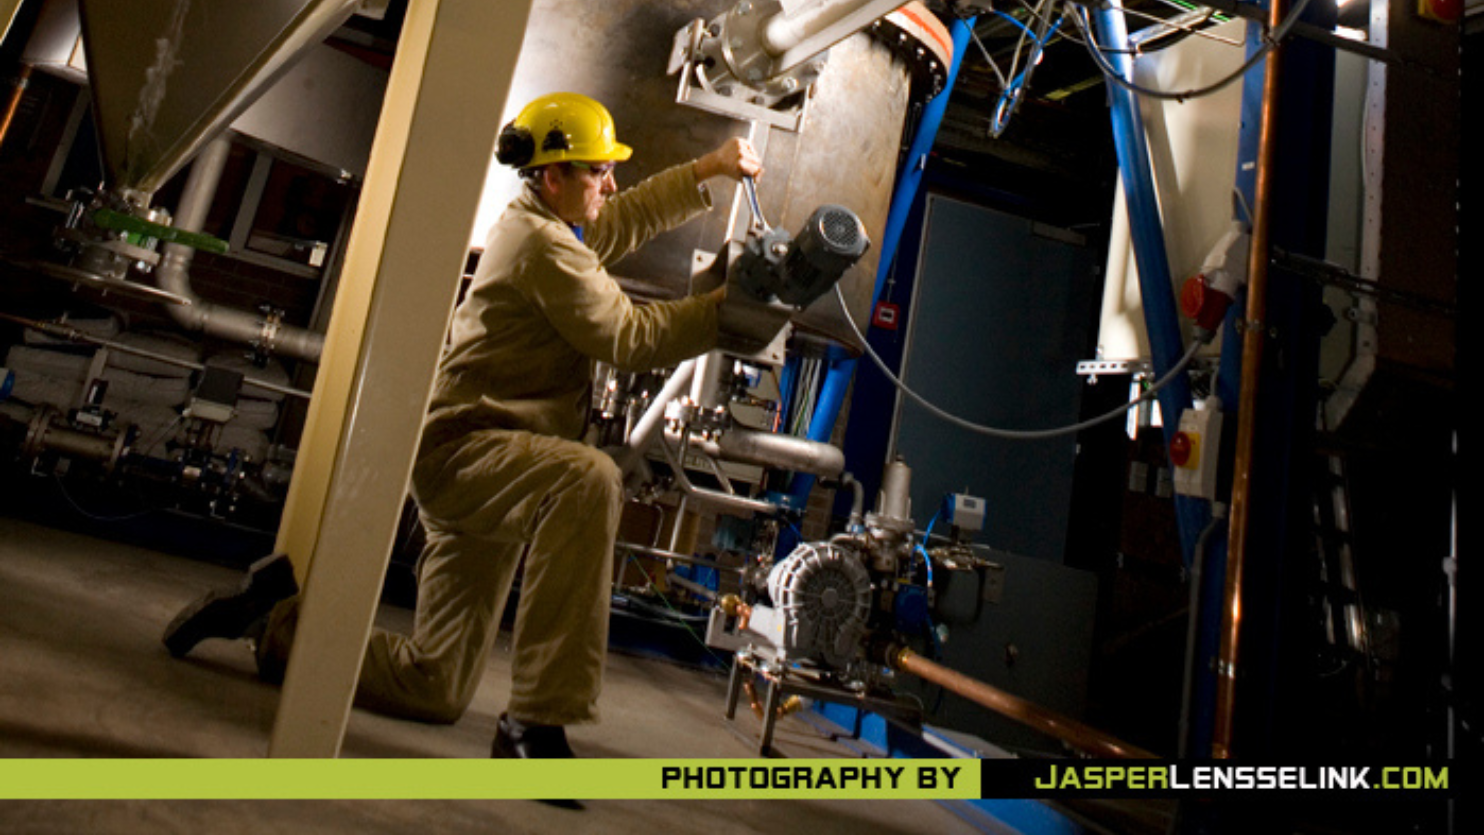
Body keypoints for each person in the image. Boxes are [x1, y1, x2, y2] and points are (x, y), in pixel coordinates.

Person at [163, 92, 763, 760]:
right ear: (553, 175)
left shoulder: (551, 222)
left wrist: (708, 168)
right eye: (597, 170)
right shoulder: (542, 247)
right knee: (589, 480)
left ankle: (275, 623)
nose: (610, 181)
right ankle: (535, 722)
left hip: (499, 462)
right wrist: (724, 312)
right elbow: (627, 334)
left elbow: (620, 219)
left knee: (436, 686)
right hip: (469, 457)